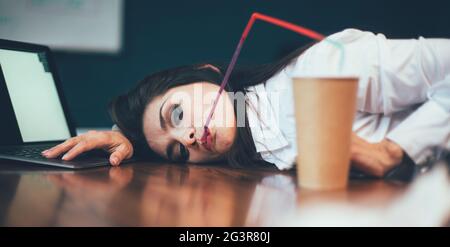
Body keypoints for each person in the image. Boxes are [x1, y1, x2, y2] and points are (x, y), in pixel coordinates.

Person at [41, 29, 450, 177]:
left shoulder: (321, 69)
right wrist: (126, 139)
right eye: (178, 152)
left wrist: (393, 151)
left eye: (178, 113)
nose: (187, 137)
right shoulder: (258, 148)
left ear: (210, 74)